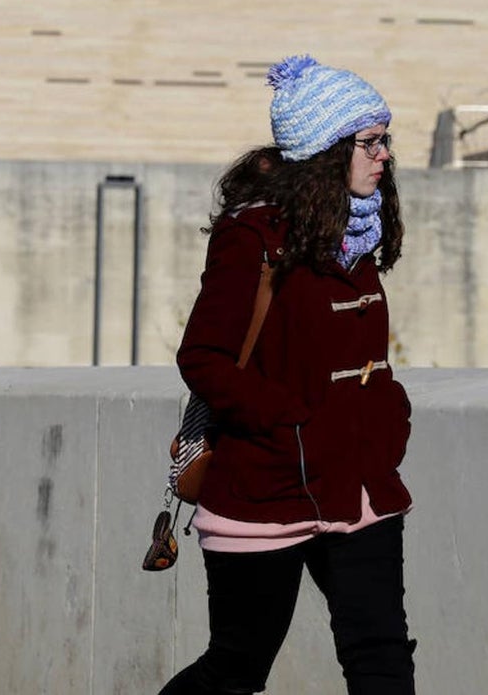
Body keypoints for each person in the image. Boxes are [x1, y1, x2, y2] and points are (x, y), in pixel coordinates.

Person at [160, 54, 416, 695]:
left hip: (359, 490)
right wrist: (289, 421)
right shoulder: (254, 237)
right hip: (266, 490)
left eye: (385, 138)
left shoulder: (356, 236)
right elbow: (204, 358)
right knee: (238, 667)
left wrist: (389, 415)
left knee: (381, 657)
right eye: (369, 141)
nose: (383, 155)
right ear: (327, 151)